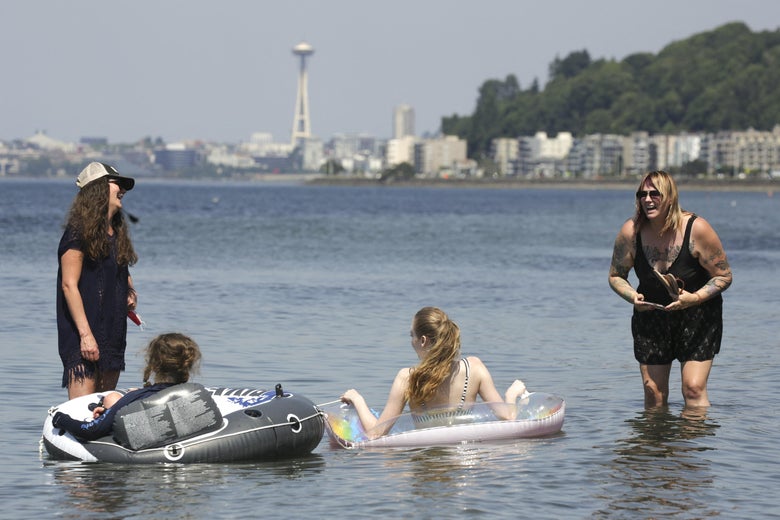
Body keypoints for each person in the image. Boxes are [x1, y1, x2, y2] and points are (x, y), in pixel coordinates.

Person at [608, 170, 732, 409]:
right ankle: (655, 446)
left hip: (698, 316)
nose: (647, 199)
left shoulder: (697, 229)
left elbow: (724, 276)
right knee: (653, 392)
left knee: (693, 389)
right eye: (641, 194)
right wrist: (632, 296)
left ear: (670, 197)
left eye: (655, 193)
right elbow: (616, 276)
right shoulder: (630, 232)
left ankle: (690, 445)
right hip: (652, 315)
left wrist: (694, 298)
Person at [340, 307, 528, 439]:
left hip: (425, 458)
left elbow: (375, 433)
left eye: (411, 335)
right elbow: (509, 417)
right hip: (465, 462)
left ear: (422, 340)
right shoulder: (475, 368)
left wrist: (357, 399)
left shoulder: (407, 378)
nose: (410, 341)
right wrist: (511, 394)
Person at [57, 162, 138, 399]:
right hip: (82, 333)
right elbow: (68, 284)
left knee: (104, 407)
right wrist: (85, 335)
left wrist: (131, 293)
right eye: (117, 184)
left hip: (113, 333)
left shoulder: (117, 231)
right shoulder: (77, 232)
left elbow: (121, 269)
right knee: (83, 409)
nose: (122, 189)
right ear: (98, 189)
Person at [52, 333, 202, 441]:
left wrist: (60, 418)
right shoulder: (197, 394)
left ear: (153, 365)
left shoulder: (138, 398)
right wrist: (108, 412)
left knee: (113, 400)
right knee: (112, 401)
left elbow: (91, 430)